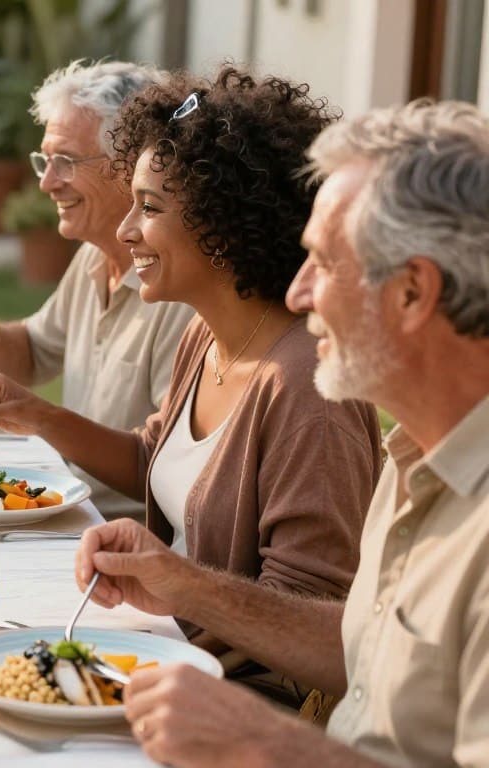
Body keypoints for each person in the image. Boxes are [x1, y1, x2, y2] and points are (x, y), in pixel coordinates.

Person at [75, 99, 489, 768]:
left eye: (323, 263)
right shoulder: (418, 457)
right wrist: (183, 583)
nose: (296, 294)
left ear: (412, 293)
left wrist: (264, 742)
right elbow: (364, 643)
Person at [0, 67, 383, 689]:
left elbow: (322, 632)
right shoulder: (205, 334)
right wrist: (38, 415)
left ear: (224, 225)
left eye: (150, 207)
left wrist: (180, 586)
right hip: (159, 655)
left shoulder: (308, 391)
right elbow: (150, 458)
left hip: (234, 707)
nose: (127, 228)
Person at [0, 60, 195, 520]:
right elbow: (32, 353)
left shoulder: (179, 294)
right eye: (46, 160)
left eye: (66, 161)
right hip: (63, 512)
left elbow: (165, 467)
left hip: (118, 536)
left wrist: (42, 417)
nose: (46, 182)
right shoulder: (92, 256)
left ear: (130, 166)